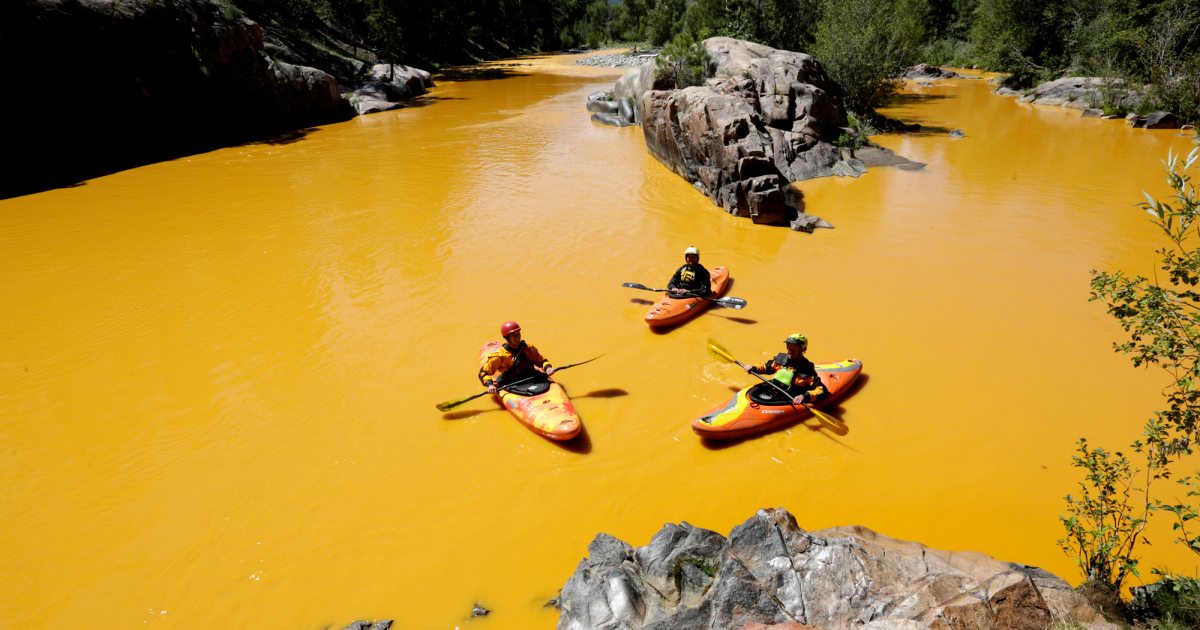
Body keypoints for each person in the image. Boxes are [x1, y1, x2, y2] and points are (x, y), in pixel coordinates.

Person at [745, 333, 827, 407]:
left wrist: (804, 396)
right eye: (789, 346)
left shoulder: (806, 370)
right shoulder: (782, 359)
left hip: (791, 397)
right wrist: (753, 368)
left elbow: (822, 391)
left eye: (794, 347)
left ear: (802, 349)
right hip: (776, 392)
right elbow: (766, 367)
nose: (790, 350)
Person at [478, 321, 557, 395]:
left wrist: (548, 368)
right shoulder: (500, 355)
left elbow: (542, 361)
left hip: (533, 378)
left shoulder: (529, 348)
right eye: (513, 335)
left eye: (518, 334)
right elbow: (483, 373)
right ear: (507, 338)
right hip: (512, 384)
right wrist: (490, 385)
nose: (517, 337)